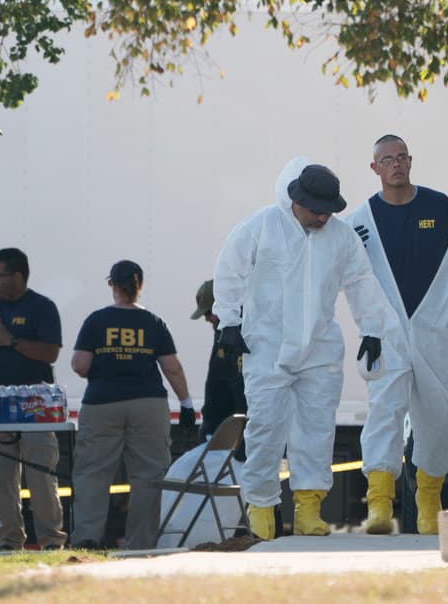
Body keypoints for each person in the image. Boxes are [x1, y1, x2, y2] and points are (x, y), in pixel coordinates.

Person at [212, 157, 395, 541]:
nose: (324, 217)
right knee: (264, 430)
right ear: (296, 199)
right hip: (267, 347)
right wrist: (228, 322)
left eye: (330, 210)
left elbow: (361, 280)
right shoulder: (262, 227)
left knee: (316, 430)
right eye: (317, 210)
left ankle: (309, 508)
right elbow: (229, 269)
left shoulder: (340, 236)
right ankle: (261, 507)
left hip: (320, 350)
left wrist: (372, 329)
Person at [349, 135, 448, 534]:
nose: (395, 165)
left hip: (435, 336)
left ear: (410, 161)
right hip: (387, 339)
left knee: (438, 419)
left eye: (401, 158)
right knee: (383, 415)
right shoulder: (359, 222)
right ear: (374, 168)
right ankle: (379, 504)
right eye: (386, 160)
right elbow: (351, 279)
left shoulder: (439, 208)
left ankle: (428, 501)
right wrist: (370, 329)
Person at [70, 260, 195, 550]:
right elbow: (172, 368)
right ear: (139, 286)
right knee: (149, 475)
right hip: (148, 403)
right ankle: (142, 543)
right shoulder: (153, 322)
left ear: (112, 285)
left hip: (102, 403)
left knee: (93, 472)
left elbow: (80, 364)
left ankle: (88, 537)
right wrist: (186, 403)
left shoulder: (96, 321)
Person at [0, 247, 67, 551]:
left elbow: (50, 352)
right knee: (1, 477)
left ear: (18, 276)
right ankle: (9, 543)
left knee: (41, 475)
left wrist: (9, 340)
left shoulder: (42, 307)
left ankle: (51, 542)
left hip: (35, 402)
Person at [190, 279, 248, 445]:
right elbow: (215, 380)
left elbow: (242, 384)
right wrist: (209, 418)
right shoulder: (222, 332)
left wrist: (244, 427)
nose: (207, 319)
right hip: (227, 425)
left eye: (208, 312)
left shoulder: (242, 331)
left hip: (244, 425)